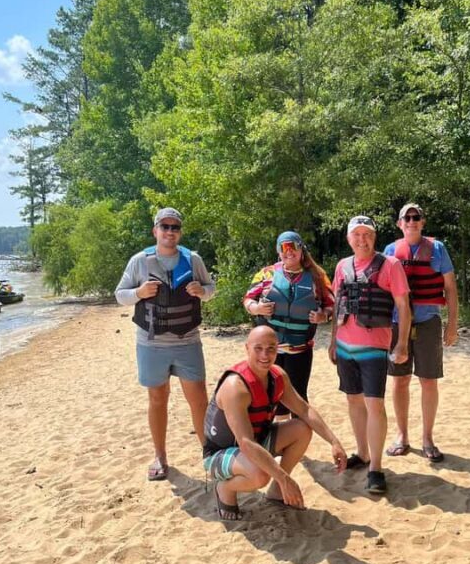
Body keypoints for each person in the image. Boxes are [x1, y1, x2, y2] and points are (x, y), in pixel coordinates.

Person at [203, 325, 348, 520]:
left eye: (271, 348)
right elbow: (245, 442)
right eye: (258, 348)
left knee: (302, 429)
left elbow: (304, 410)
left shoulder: (277, 376)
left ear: (277, 348)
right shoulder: (235, 387)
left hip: (256, 441)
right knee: (260, 474)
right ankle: (225, 488)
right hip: (220, 454)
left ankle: (276, 492)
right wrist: (283, 478)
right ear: (247, 348)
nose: (265, 354)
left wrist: (334, 442)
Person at [115, 207, 216, 481]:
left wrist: (202, 291)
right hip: (151, 344)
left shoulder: (192, 259)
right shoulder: (140, 261)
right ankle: (160, 456)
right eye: (165, 227)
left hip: (188, 341)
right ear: (155, 231)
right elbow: (120, 295)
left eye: (175, 227)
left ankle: (209, 453)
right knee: (158, 399)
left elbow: (211, 289)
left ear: (179, 232)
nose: (170, 232)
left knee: (198, 400)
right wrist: (139, 292)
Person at [329, 215, 411, 494]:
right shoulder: (342, 266)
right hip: (345, 346)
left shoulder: (390, 265)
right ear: (349, 238)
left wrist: (401, 344)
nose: (361, 239)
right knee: (354, 400)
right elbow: (339, 306)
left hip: (374, 347)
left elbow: (403, 306)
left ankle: (376, 467)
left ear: (374, 237)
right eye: (356, 234)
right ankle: (362, 453)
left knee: (374, 404)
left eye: (367, 234)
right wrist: (331, 342)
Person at [383, 203, 459, 462]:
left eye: (417, 217)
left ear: (422, 222)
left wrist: (452, 324)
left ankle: (427, 438)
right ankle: (402, 436)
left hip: (428, 322)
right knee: (399, 380)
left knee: (428, 381)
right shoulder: (391, 251)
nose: (412, 221)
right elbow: (382, 288)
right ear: (399, 223)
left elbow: (450, 288)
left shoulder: (438, 249)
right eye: (407, 218)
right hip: (396, 324)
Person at [243, 231, 334, 415]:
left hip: (299, 349)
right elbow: (247, 299)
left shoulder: (317, 276)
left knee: (298, 396)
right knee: (270, 397)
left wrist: (322, 316)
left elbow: (332, 306)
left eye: (293, 246)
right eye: (284, 247)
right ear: (278, 251)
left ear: (301, 250)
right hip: (269, 350)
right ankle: (276, 438)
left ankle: (298, 437)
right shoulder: (266, 274)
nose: (289, 252)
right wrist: (257, 308)